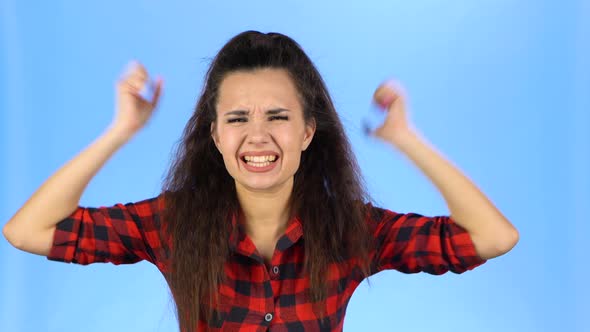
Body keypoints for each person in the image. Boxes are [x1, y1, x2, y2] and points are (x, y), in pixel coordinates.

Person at [2, 30, 519, 332]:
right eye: (236, 119)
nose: (257, 137)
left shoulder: (351, 230)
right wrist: (120, 131)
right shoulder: (173, 224)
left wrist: (406, 138)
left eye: (277, 116)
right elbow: (28, 230)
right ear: (215, 135)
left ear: (307, 132)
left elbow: (491, 238)